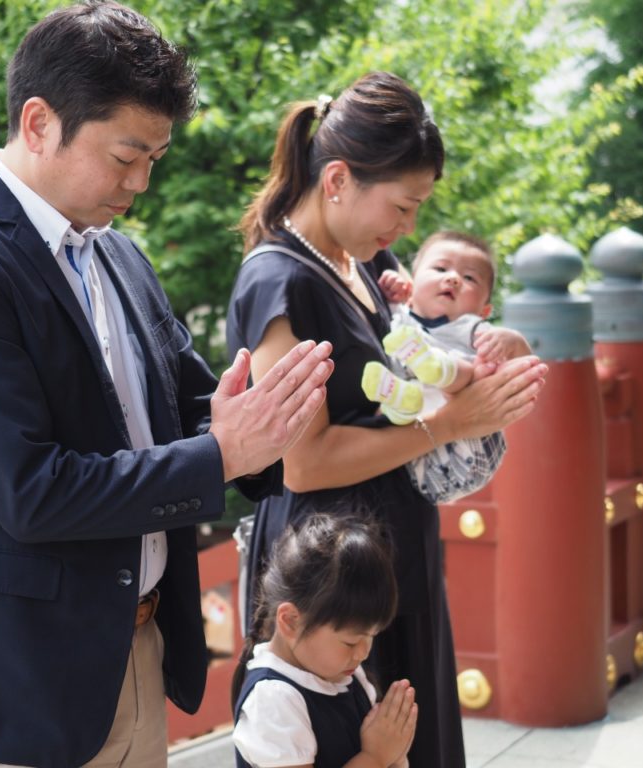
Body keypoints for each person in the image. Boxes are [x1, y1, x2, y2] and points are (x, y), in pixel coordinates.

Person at [0, 3, 332, 767]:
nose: (142, 183)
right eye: (126, 157)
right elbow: (32, 491)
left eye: (154, 159)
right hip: (6, 685)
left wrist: (265, 424)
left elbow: (196, 411)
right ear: (38, 123)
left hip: (136, 652)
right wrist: (220, 454)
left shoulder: (116, 255)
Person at [225, 71, 549, 767]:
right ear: (337, 178)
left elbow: (443, 354)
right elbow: (303, 460)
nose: (407, 228)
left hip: (392, 552)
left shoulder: (369, 264)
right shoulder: (278, 277)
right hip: (329, 577)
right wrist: (449, 426)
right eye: (402, 207)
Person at [232, 513, 415, 768]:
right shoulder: (274, 700)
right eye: (350, 642)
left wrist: (395, 751)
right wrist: (377, 756)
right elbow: (378, 755)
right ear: (291, 620)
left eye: (371, 636)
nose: (363, 652)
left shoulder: (347, 676)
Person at [362, 231, 533, 502]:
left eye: (469, 278)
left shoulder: (473, 329)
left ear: (484, 310)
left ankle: (439, 368)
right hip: (413, 448)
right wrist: (390, 289)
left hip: (463, 453)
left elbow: (523, 367)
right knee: (389, 397)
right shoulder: (398, 315)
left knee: (473, 370)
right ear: (412, 283)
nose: (453, 278)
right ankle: (400, 400)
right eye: (440, 268)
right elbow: (387, 298)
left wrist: (513, 341)